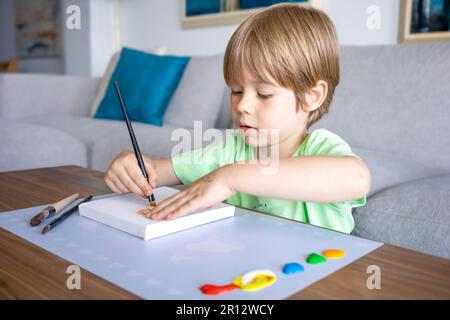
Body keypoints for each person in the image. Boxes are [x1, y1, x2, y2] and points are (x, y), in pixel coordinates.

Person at [105, 3, 371, 234]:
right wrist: (132, 166)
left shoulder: (321, 149)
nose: (242, 104)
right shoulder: (230, 150)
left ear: (312, 96)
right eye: (236, 90)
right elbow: (153, 172)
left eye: (264, 94)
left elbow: (356, 178)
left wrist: (232, 177)